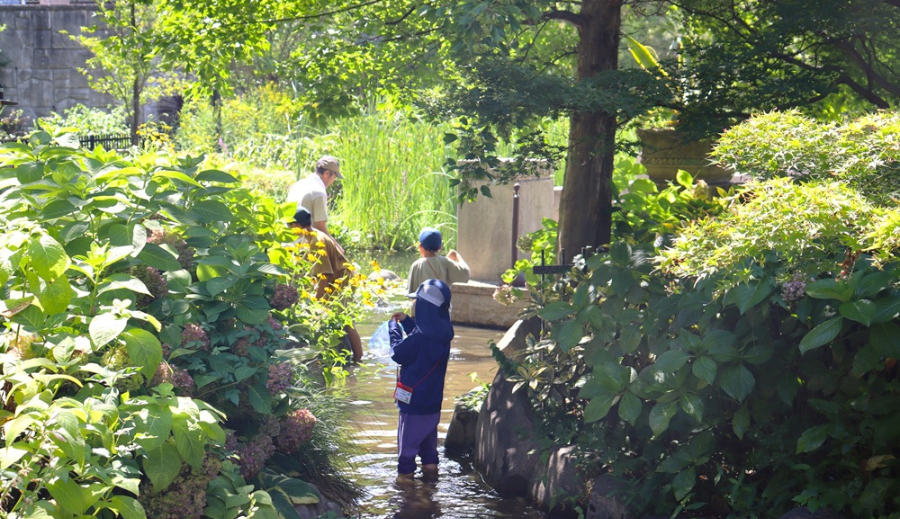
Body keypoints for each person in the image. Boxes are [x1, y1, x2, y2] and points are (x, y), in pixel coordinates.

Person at [389, 279, 453, 482]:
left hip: (413, 404)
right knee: (429, 450)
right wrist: (408, 321)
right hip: (432, 403)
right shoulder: (444, 336)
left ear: (424, 308)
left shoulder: (417, 340)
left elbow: (398, 353)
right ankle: (431, 486)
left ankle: (406, 496)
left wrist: (394, 329)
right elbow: (424, 336)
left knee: (406, 454)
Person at [289, 207, 363, 362]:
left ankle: (358, 359)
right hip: (336, 280)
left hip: (342, 282)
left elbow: (325, 275)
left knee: (346, 320)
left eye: (290, 226)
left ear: (296, 226)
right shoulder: (314, 236)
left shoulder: (317, 241)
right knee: (342, 319)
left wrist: (317, 301)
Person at [405, 227, 469, 316]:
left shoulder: (417, 265)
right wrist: (457, 256)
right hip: (442, 315)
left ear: (420, 246)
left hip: (422, 316)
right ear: (440, 247)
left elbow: (411, 294)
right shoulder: (446, 262)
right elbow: (465, 273)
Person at [287, 155, 344, 253]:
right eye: (334, 177)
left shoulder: (298, 184)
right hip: (303, 247)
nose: (333, 181)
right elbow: (319, 226)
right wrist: (336, 247)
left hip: (286, 243)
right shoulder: (319, 192)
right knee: (338, 257)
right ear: (326, 173)